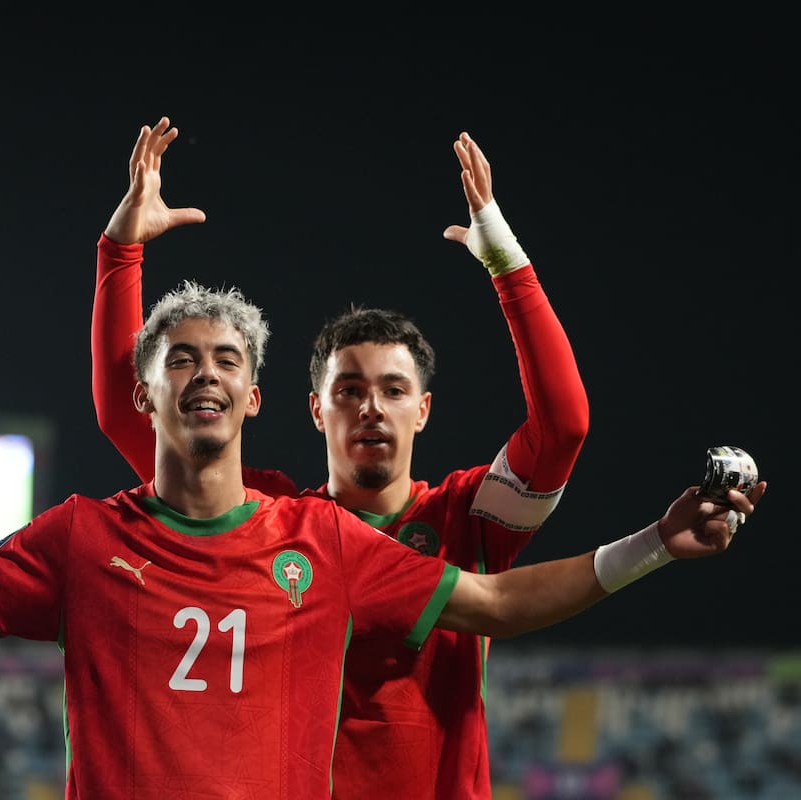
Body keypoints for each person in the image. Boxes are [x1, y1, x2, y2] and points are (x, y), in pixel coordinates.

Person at [0, 258, 762, 799]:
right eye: (179, 360)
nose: (203, 374)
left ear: (257, 396)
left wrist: (657, 539)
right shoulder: (76, 538)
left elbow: (503, 604)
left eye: (226, 361)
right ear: (145, 392)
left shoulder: (325, 540)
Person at [92, 118, 589, 797]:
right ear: (315, 409)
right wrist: (120, 252)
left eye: (394, 390)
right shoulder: (271, 520)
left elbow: (562, 427)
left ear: (424, 410)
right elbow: (133, 410)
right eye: (348, 392)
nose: (372, 409)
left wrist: (507, 264)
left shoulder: (469, 520)